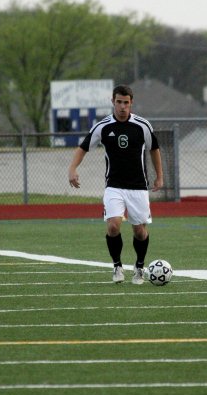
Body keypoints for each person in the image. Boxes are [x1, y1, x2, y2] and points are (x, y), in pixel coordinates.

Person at [68, 84, 163, 284]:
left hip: (138, 186)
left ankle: (139, 267)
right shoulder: (103, 127)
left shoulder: (142, 125)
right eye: (118, 102)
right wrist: (72, 169)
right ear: (113, 102)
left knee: (139, 230)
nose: (122, 107)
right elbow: (83, 147)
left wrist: (159, 176)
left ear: (131, 103)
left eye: (126, 103)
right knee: (113, 226)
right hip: (114, 186)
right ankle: (117, 267)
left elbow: (154, 149)